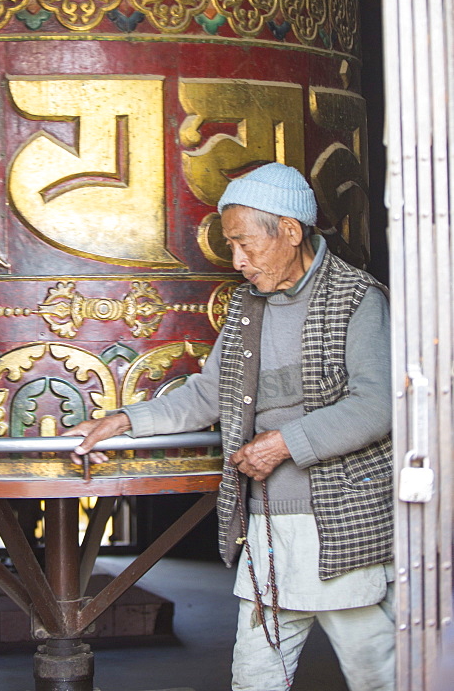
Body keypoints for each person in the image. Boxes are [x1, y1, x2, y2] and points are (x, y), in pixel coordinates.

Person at [65, 163, 394, 691]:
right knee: (255, 673)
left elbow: (377, 407)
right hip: (269, 520)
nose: (238, 262)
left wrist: (285, 443)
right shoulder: (247, 306)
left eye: (245, 244)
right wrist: (126, 420)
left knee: (374, 667)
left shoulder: (358, 299)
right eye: (230, 246)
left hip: (343, 520)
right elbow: (207, 395)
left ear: (289, 232)